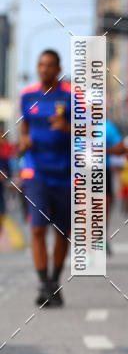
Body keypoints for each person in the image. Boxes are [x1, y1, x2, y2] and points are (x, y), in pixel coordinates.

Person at [19, 50, 71, 307]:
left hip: (65, 174)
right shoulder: (27, 95)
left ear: (58, 69)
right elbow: (24, 129)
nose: (44, 69)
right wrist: (23, 142)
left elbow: (90, 133)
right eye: (41, 65)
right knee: (38, 228)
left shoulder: (72, 96)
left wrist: (67, 128)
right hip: (36, 172)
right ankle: (44, 284)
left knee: (62, 232)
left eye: (49, 65)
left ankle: (54, 280)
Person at [105, 117, 126, 253]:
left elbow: (121, 147)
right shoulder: (74, 124)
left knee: (103, 210)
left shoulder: (107, 126)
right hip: (80, 171)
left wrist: (104, 150)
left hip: (102, 170)